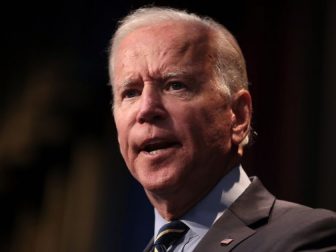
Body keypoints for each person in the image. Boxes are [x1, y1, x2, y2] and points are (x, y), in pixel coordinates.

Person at [108, 6, 336, 251]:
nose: (146, 109)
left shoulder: (306, 238)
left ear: (238, 116)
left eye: (176, 85)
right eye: (131, 92)